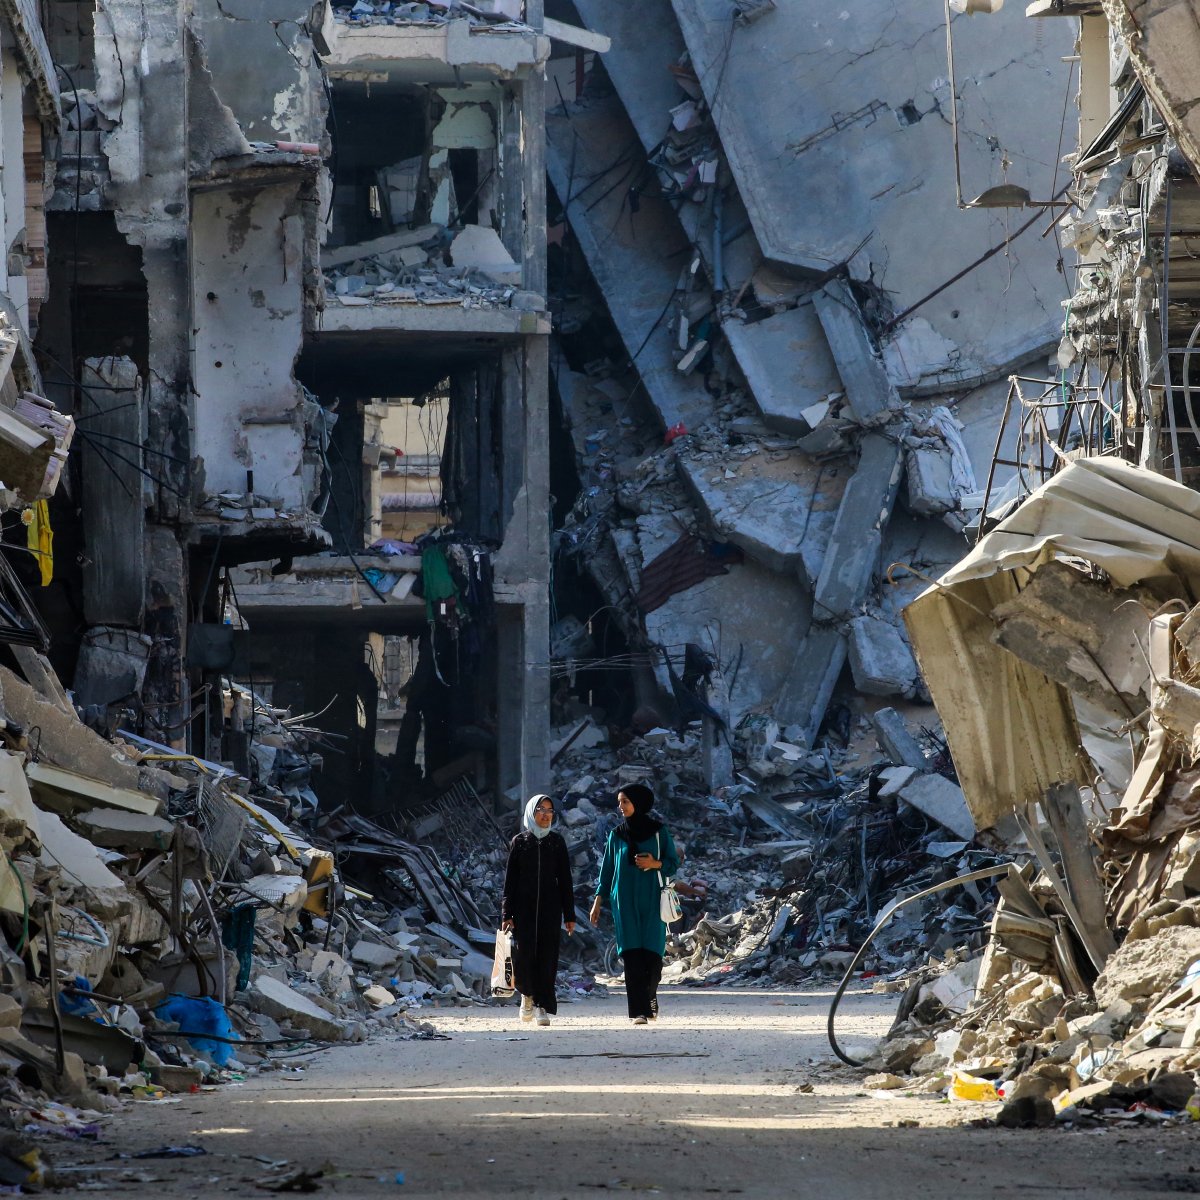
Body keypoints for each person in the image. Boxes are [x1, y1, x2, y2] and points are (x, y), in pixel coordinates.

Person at [589, 784, 679, 1025]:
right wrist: (598, 900)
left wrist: (654, 863)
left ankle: (650, 995)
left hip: (652, 899)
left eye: (625, 801)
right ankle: (639, 1011)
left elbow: (673, 863)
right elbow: (607, 871)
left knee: (652, 955)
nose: (621, 806)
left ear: (638, 803)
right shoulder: (616, 835)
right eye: (619, 802)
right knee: (631, 956)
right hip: (624, 901)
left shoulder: (659, 832)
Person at [502, 794, 576, 1027]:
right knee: (524, 956)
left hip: (550, 909)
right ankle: (527, 997)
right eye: (540, 810)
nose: (545, 815)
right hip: (523, 909)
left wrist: (569, 915)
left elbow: (565, 880)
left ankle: (543, 1006)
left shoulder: (557, 842)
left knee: (547, 957)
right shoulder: (520, 842)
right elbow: (510, 881)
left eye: (549, 811)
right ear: (531, 813)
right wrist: (507, 913)